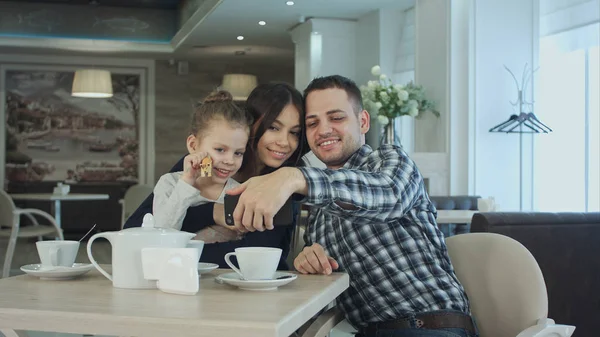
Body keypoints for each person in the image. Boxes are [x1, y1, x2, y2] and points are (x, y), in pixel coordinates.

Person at [226, 75, 478, 337]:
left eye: (336, 118)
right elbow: (328, 283)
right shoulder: (319, 209)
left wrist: (293, 176)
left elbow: (388, 195)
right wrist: (309, 260)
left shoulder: (391, 162)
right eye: (312, 123)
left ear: (363, 121)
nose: (323, 130)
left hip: (428, 326)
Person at [123, 82, 307, 270]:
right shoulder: (201, 163)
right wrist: (212, 212)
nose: (285, 142)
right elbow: (137, 230)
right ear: (251, 125)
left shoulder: (282, 183)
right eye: (274, 128)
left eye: (294, 132)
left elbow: (258, 255)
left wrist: (170, 252)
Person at [152, 90, 250, 243]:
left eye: (238, 153)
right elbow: (161, 235)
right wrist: (186, 182)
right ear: (193, 144)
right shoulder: (169, 184)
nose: (230, 160)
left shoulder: (240, 192)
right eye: (220, 150)